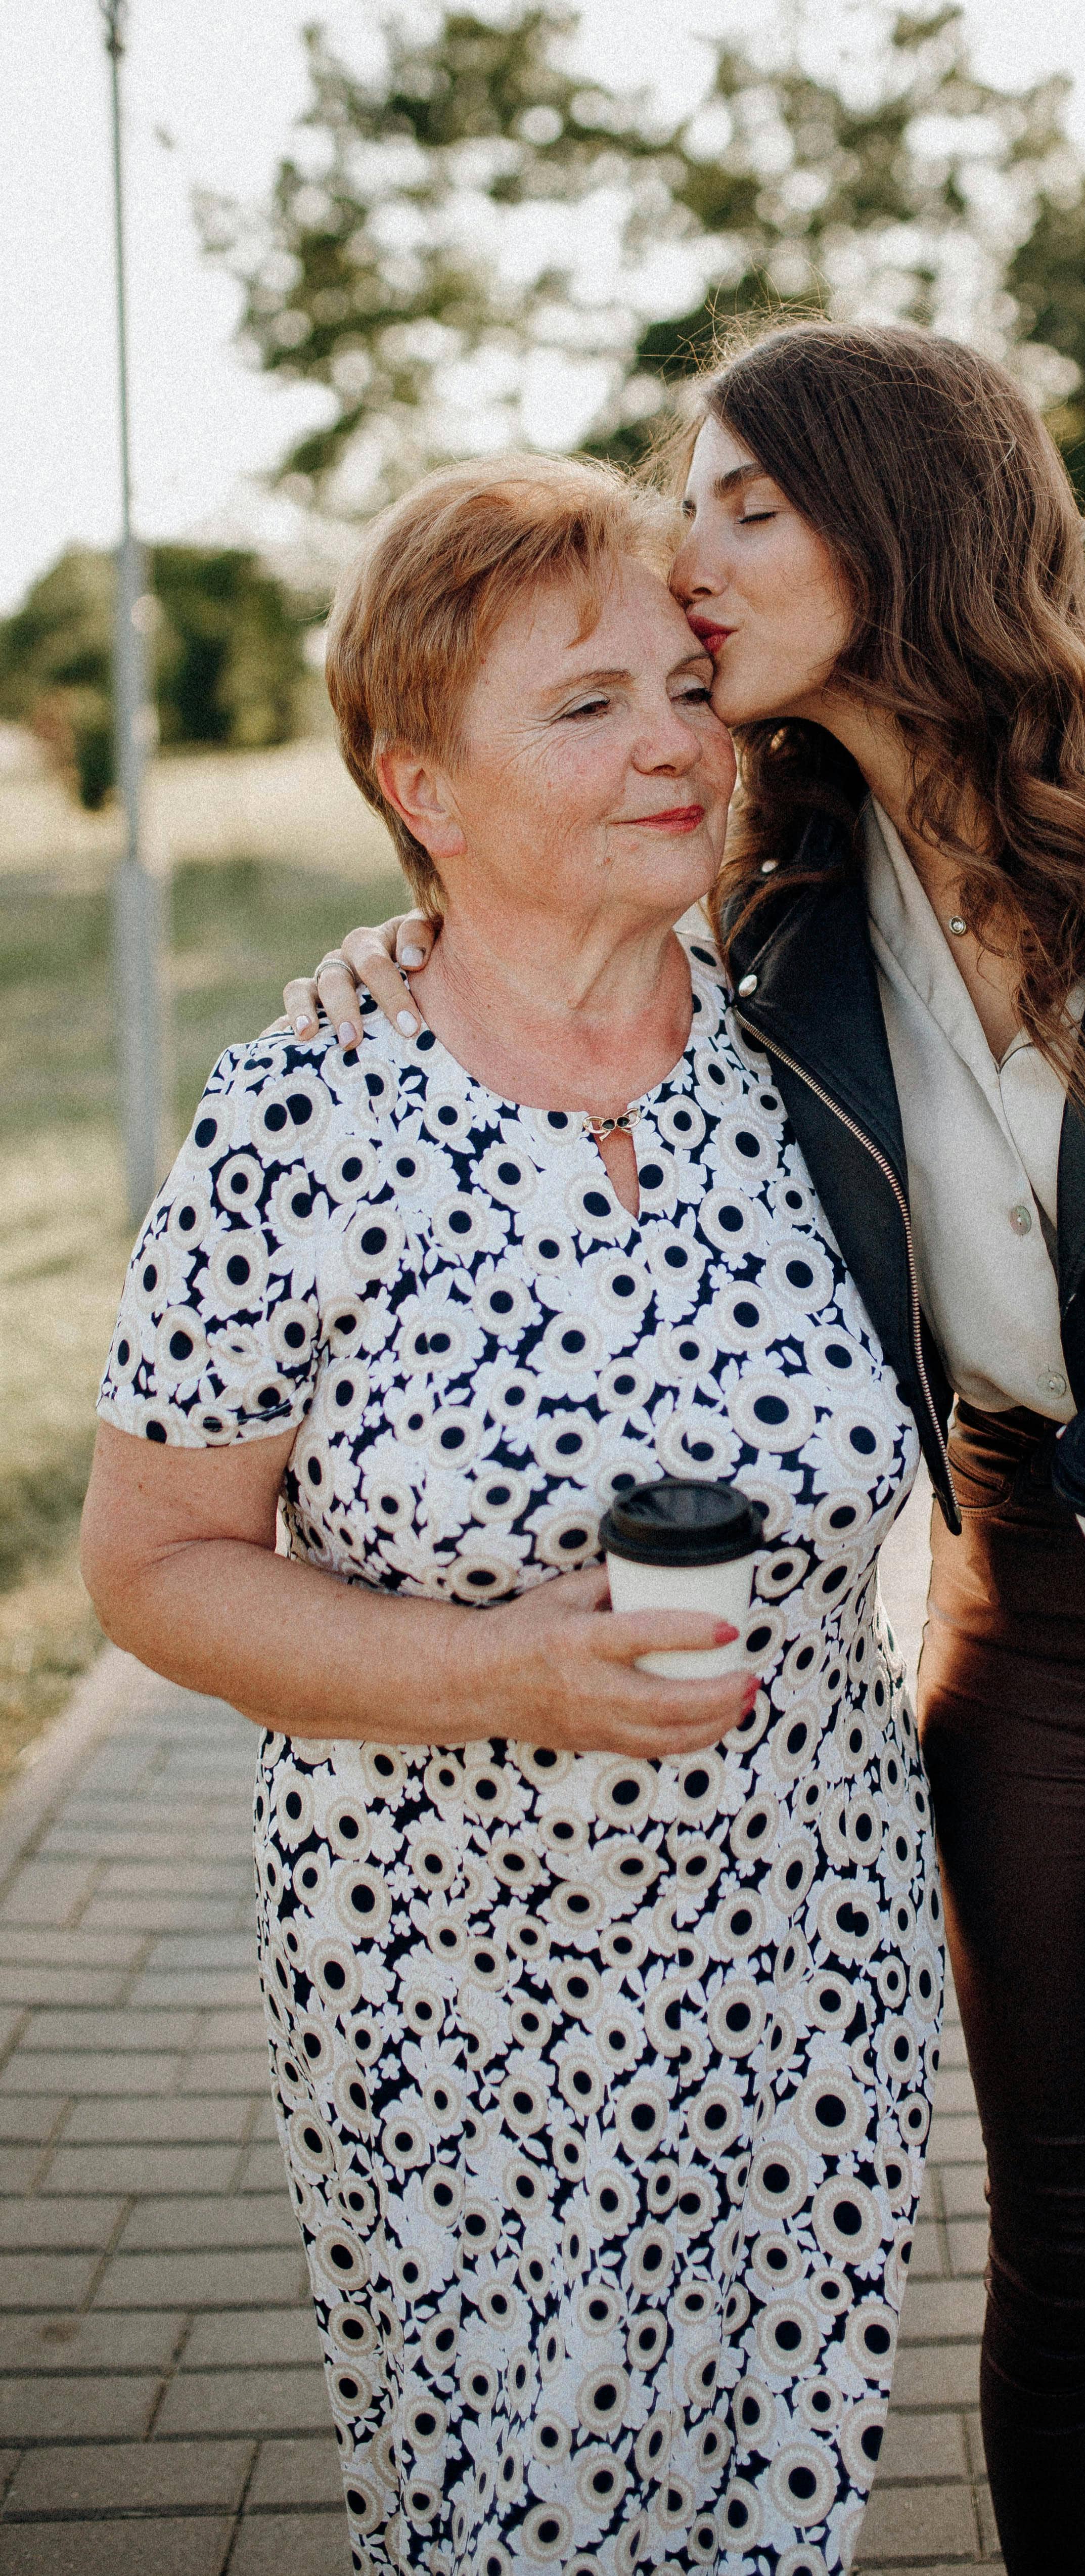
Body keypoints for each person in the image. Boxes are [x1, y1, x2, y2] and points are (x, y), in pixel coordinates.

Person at [293, 323, 1085, 2575]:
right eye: (690, 502)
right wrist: (388, 963)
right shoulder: (777, 900)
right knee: (1063, 2272)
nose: (687, 558)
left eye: (746, 505)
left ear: (907, 518)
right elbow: (533, 911)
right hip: (1037, 1628)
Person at [82, 450, 944, 2576]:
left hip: (810, 1966)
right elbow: (151, 1564)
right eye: (586, 704)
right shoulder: (304, 1111)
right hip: (452, 1990)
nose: (676, 743)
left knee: (770, 2517)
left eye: (686, 688)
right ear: (423, 789)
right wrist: (494, 1671)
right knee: (515, 2526)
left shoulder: (820, 1056)